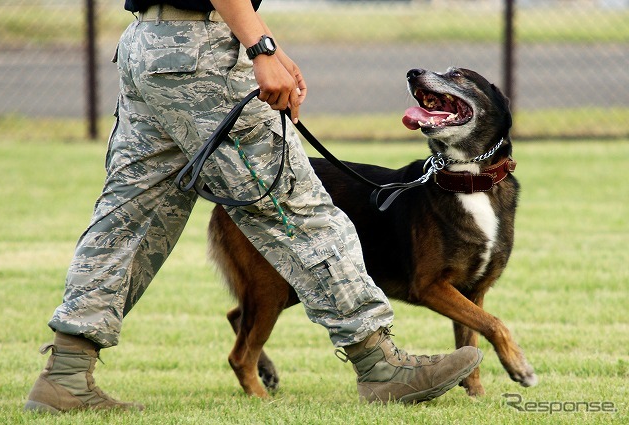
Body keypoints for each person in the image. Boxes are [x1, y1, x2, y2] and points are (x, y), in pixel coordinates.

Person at [24, 0, 482, 413]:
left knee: (129, 218)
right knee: (298, 209)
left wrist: (268, 45)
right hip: (199, 56)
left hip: (151, 44)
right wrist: (259, 47)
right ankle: (380, 364)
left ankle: (66, 372)